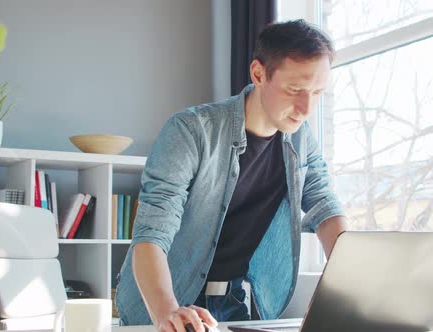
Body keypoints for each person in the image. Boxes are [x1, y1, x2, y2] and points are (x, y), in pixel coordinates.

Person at [115, 19, 347, 332]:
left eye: (317, 93)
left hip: (237, 302)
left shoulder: (302, 137)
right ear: (258, 73)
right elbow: (151, 233)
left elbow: (324, 205)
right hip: (163, 302)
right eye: (295, 90)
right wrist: (167, 313)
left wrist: (344, 288)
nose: (306, 108)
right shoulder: (190, 130)